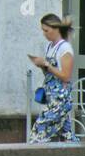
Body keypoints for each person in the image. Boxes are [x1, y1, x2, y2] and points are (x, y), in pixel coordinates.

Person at [28, 14, 77, 143]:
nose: (44, 34)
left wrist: (47, 65)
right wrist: (42, 66)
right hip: (51, 96)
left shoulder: (65, 48)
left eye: (46, 30)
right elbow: (51, 73)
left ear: (55, 29)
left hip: (60, 99)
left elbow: (66, 76)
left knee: (39, 131)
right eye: (43, 30)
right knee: (67, 137)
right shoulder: (49, 47)